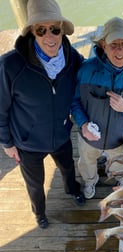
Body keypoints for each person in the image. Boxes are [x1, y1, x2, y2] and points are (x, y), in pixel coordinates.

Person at [0, 0, 86, 229]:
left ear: (61, 29)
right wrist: (7, 142)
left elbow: (94, 71)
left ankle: (73, 190)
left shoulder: (73, 58)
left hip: (61, 135)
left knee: (68, 168)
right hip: (28, 144)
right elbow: (1, 109)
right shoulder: (9, 66)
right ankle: (39, 213)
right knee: (35, 185)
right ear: (32, 33)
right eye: (41, 30)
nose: (50, 37)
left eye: (55, 29)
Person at [71, 17, 123, 199]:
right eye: (113, 44)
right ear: (103, 45)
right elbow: (74, 101)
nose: (119, 50)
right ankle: (90, 181)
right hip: (88, 139)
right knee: (87, 162)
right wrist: (83, 124)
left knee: (118, 165)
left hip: (119, 140)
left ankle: (117, 178)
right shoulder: (86, 70)